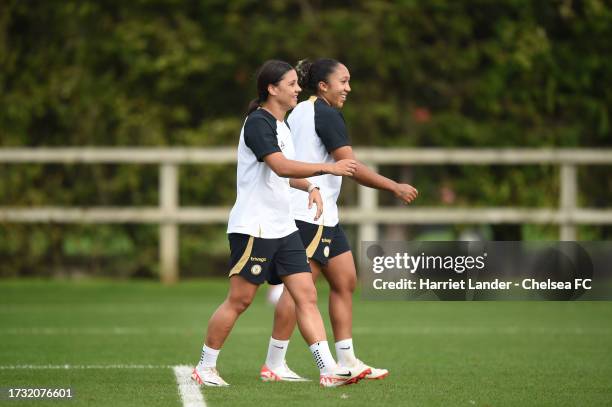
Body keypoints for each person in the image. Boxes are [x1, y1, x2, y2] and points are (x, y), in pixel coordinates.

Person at [191, 60, 371, 388]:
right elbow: (280, 167)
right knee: (240, 300)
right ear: (272, 89)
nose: (297, 89)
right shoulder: (258, 123)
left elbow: (287, 176)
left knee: (305, 295)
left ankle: (328, 368)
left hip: (283, 226)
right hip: (254, 227)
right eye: (291, 84)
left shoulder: (282, 125)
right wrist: (325, 171)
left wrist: (310, 187)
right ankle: (205, 365)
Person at [259, 58, 418, 382]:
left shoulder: (301, 109)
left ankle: (348, 359)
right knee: (299, 292)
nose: (348, 88)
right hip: (308, 214)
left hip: (322, 214)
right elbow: (351, 166)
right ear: (323, 85)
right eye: (343, 81)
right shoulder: (326, 113)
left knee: (345, 280)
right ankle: (273, 364)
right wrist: (393, 186)